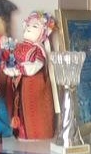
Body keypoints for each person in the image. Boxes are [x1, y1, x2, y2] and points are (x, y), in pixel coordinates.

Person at [7, 10, 57, 140]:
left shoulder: (37, 49)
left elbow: (35, 67)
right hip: (21, 85)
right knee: (20, 110)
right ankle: (22, 133)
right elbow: (11, 61)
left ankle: (36, 135)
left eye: (35, 26)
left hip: (34, 85)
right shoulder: (19, 46)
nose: (29, 28)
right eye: (28, 25)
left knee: (35, 113)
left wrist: (20, 68)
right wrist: (11, 69)